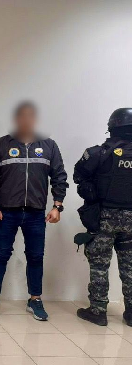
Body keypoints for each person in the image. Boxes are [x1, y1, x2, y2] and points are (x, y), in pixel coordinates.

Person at [0, 101, 68, 321]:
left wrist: (57, 206)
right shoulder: (1, 145)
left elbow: (59, 176)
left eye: (31, 116)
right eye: (22, 116)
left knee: (36, 256)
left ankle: (35, 299)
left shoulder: (49, 145)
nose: (26, 120)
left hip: (36, 213)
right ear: (16, 119)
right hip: (6, 212)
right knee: (1, 254)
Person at [74, 108, 132, 327]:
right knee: (130, 267)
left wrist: (91, 193)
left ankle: (98, 311)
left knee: (99, 264)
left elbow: (79, 175)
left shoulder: (99, 153)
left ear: (112, 127)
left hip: (104, 217)